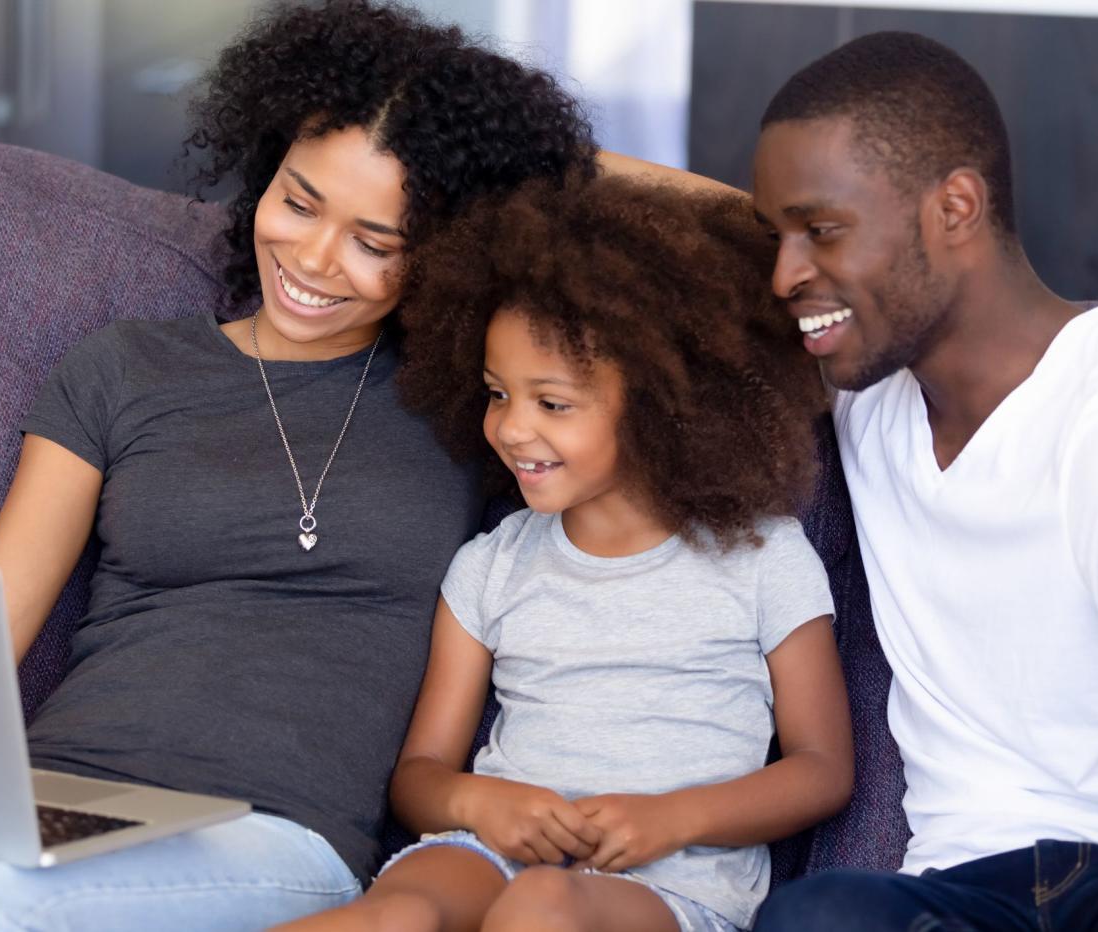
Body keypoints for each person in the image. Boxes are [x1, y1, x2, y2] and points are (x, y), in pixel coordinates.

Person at [0, 3, 602, 930]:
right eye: (299, 202)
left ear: (452, 253)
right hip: (54, 801)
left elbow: (731, 238)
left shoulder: (477, 401)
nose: (312, 257)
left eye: (374, 243)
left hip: (276, 833)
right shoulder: (123, 368)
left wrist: (534, 181)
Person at [270, 174, 854, 932]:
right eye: (496, 392)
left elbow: (822, 770)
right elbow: (421, 778)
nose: (512, 429)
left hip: (670, 884)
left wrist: (674, 819)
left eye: (552, 403)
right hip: (487, 853)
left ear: (660, 405)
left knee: (543, 906)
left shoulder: (763, 557)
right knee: (397, 917)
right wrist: (480, 802)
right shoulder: (493, 565)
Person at [750, 31, 1098, 932]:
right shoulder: (870, 402)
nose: (784, 274)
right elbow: (668, 219)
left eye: (821, 231)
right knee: (814, 917)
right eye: (776, 236)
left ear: (954, 206)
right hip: (958, 893)